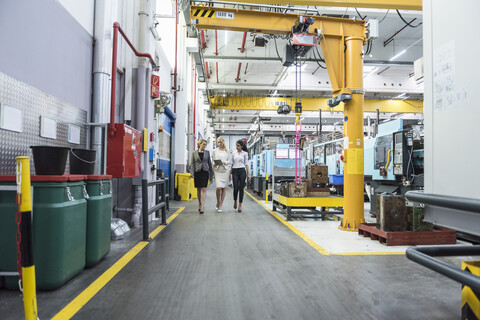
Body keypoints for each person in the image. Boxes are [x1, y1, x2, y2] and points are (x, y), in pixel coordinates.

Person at [188, 139, 213, 214]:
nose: (204, 145)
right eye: (203, 144)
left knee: (204, 189)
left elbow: (209, 163)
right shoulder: (194, 153)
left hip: (205, 171)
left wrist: (211, 173)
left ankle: (202, 206)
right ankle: (199, 203)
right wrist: (192, 173)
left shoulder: (207, 152)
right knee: (198, 190)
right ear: (199, 144)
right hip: (197, 172)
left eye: (205, 144)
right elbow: (192, 163)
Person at [229, 140, 251, 213]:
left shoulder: (245, 153)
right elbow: (232, 163)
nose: (237, 147)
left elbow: (246, 164)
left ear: (241, 146)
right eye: (236, 145)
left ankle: (240, 204)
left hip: (242, 170)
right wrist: (230, 173)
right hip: (235, 171)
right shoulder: (233, 153)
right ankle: (235, 200)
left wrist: (249, 174)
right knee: (235, 187)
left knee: (241, 188)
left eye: (238, 146)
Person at [212, 136, 230, 213]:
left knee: (223, 188)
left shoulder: (227, 151)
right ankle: (218, 201)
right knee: (218, 187)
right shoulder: (214, 151)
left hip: (225, 170)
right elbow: (213, 160)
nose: (220, 143)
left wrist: (224, 162)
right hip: (217, 171)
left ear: (223, 142)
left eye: (221, 142)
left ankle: (220, 204)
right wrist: (214, 164)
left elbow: (229, 161)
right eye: (218, 142)